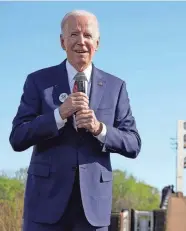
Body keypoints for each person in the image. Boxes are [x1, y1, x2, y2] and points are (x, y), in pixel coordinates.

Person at [9, 10, 141, 231]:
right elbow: (18, 137)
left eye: (88, 36)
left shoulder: (116, 87)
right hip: (45, 205)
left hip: (93, 209)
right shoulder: (38, 81)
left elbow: (133, 143)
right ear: (62, 41)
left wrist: (99, 129)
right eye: (74, 34)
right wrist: (58, 115)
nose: (81, 41)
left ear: (97, 43)